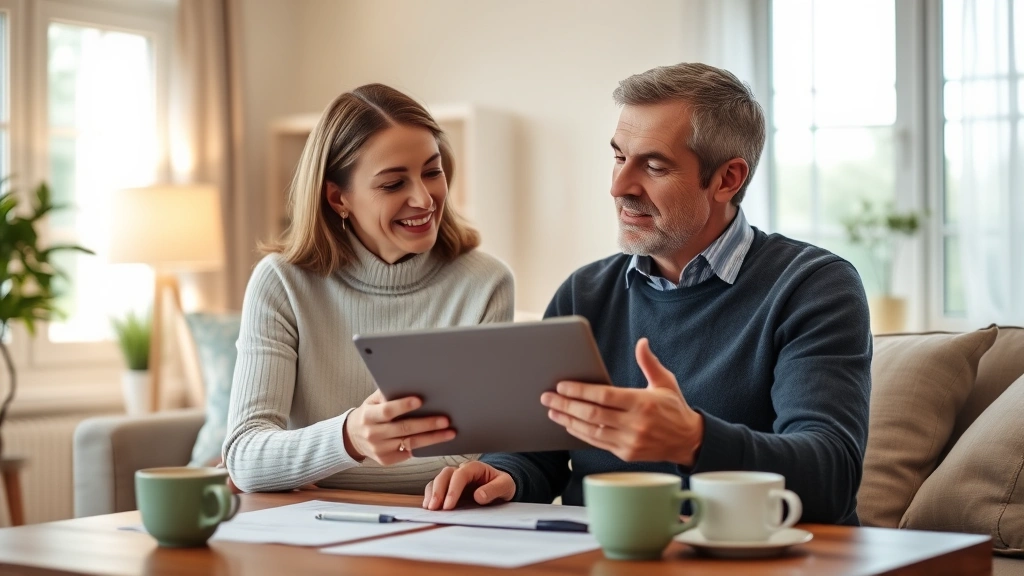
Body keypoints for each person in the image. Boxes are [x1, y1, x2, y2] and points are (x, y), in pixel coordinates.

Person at [422, 63, 872, 525]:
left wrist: (691, 439)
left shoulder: (813, 286)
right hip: (603, 554)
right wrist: (502, 473)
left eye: (653, 166)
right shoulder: (584, 294)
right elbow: (537, 454)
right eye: (619, 157)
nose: (619, 187)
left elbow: (830, 478)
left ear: (727, 179)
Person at [223, 84, 514, 494]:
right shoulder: (282, 283)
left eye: (432, 172)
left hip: (433, 526)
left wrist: (304, 467)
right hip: (310, 532)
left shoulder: (486, 284)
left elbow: (471, 458)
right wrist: (348, 437)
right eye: (393, 184)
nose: (424, 199)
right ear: (338, 197)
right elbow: (246, 457)